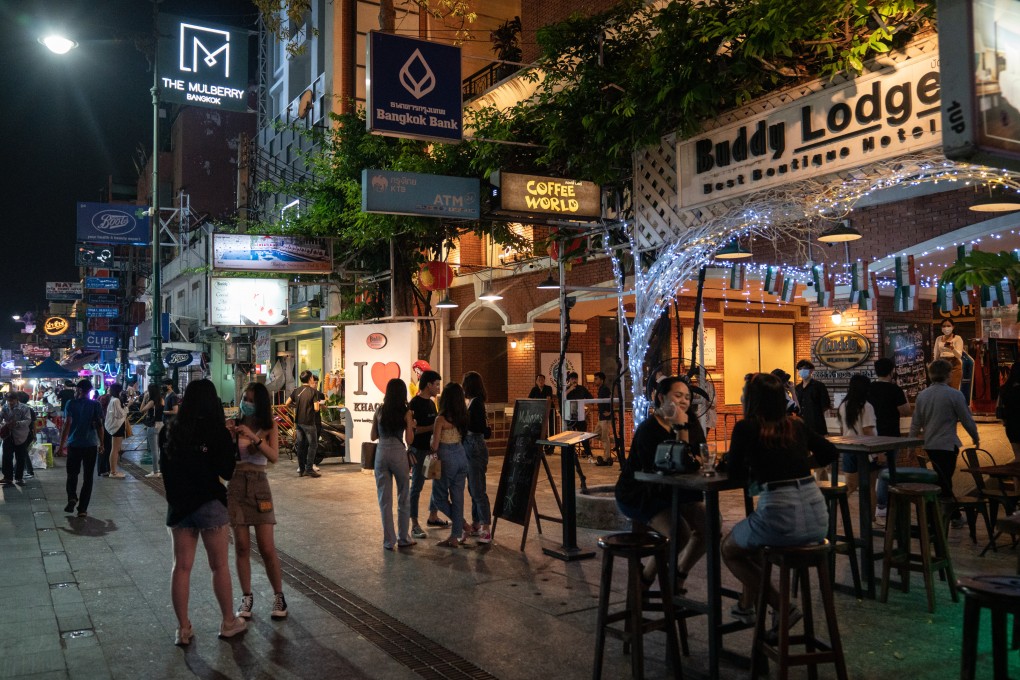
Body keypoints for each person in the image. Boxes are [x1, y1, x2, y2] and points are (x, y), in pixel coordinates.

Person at [721, 373, 837, 629]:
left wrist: (757, 469)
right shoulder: (796, 425)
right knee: (751, 542)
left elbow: (735, 475)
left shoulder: (747, 428)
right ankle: (746, 606)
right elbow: (830, 452)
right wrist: (799, 465)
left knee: (729, 549)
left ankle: (781, 606)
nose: (741, 396)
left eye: (744, 392)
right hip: (818, 517)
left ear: (753, 399)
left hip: (780, 515)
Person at [160, 379, 246, 644]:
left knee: (181, 567)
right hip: (210, 503)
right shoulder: (217, 431)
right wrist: (230, 443)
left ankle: (183, 629)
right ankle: (228, 622)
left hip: (180, 506)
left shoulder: (171, 430)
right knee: (219, 566)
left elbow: (165, 470)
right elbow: (226, 472)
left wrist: (175, 498)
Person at [615, 376, 708, 592]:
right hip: (641, 494)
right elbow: (676, 466)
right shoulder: (648, 429)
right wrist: (681, 430)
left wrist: (690, 456)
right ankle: (645, 580)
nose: (684, 401)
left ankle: (679, 574)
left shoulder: (692, 422)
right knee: (679, 533)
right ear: (661, 398)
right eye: (678, 395)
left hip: (677, 492)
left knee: (710, 524)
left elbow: (702, 457)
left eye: (687, 397)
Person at [228, 381, 289, 621]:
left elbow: (273, 457)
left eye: (251, 400)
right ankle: (246, 597)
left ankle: (278, 596)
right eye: (245, 398)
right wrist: (228, 435)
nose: (247, 403)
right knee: (242, 546)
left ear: (260, 403)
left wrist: (254, 437)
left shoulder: (268, 425)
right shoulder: (236, 424)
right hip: (236, 485)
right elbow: (227, 459)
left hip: (259, 485)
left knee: (266, 547)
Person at [910, 358, 980, 527]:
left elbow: (916, 423)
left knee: (941, 479)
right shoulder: (955, 395)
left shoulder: (923, 395)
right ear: (948, 375)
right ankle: (943, 516)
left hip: (930, 445)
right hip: (948, 445)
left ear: (930, 374)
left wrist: (910, 444)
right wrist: (975, 436)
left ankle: (941, 516)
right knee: (944, 481)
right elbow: (966, 419)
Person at [370, 378, 416, 550]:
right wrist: (410, 425)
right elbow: (409, 439)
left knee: (384, 499)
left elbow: (373, 436)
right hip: (398, 453)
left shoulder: (379, 410)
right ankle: (403, 538)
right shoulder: (406, 412)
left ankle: (389, 541)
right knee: (403, 495)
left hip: (381, 452)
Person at [868, 357, 912, 522]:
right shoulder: (895, 390)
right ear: (891, 371)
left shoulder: (869, 388)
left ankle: (875, 507)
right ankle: (882, 505)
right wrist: (905, 398)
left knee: (873, 472)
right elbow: (905, 411)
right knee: (886, 472)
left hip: (872, 434)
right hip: (890, 435)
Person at [429, 382, 471, 547]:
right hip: (461, 455)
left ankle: (462, 525)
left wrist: (431, 441)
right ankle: (454, 537)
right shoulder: (463, 416)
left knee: (438, 497)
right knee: (458, 498)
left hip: (446, 458)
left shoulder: (440, 419)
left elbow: (435, 446)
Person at [58, 379, 105, 517]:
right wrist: (102, 443)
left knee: (72, 474)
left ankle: (72, 497)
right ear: (90, 390)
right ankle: (82, 509)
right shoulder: (95, 404)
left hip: (74, 444)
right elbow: (99, 425)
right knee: (88, 477)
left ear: (78, 390)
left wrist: (61, 445)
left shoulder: (71, 403)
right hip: (90, 444)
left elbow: (67, 424)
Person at [409, 370, 445, 539]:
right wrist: (434, 427)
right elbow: (413, 431)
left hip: (432, 451)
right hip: (419, 451)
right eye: (436, 384)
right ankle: (414, 524)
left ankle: (433, 516)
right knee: (416, 486)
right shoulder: (414, 403)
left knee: (437, 483)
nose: (438, 388)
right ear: (428, 385)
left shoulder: (431, 403)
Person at [462, 371, 493, 543]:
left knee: (478, 489)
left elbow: (478, 427)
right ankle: (476, 522)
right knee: (473, 488)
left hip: (475, 448)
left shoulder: (476, 404)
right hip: (473, 447)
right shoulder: (475, 402)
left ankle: (485, 528)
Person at [837, 374, 877, 496]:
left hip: (848, 449)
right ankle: (869, 511)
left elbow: (842, 429)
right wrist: (877, 452)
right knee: (869, 487)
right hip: (865, 451)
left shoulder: (843, 405)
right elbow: (867, 431)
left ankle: (837, 507)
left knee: (850, 487)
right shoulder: (866, 406)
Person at [285, 370, 323, 478]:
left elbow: (287, 403)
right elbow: (316, 408)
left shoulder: (296, 391)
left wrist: (297, 406)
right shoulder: (313, 392)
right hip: (309, 422)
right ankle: (309, 469)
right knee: (313, 445)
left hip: (298, 422)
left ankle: (301, 470)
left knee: (301, 446)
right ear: (310, 378)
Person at [1, 391, 34, 486]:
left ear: (16, 399)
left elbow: (28, 420)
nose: (10, 402)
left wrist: (17, 423)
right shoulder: (5, 407)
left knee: (20, 457)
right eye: (8, 400)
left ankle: (19, 478)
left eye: (12, 400)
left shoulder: (24, 408)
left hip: (21, 435)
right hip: (8, 435)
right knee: (6, 456)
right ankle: (7, 477)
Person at [795, 360, 831, 435]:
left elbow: (825, 404)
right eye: (800, 369)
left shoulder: (819, 386)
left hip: (816, 424)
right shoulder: (797, 388)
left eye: (804, 368)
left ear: (811, 370)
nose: (802, 371)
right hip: (801, 424)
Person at [138, 383, 164, 478]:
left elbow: (141, 410)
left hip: (153, 426)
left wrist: (144, 399)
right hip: (161, 425)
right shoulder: (161, 400)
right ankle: (160, 469)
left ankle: (155, 471)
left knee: (154, 450)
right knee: (160, 449)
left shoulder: (152, 402)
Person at [103, 383, 128, 479]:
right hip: (117, 427)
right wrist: (127, 407)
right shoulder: (116, 400)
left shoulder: (112, 399)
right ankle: (113, 472)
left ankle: (113, 470)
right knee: (115, 449)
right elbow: (120, 414)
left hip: (114, 427)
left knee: (115, 449)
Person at [593, 371, 617, 465]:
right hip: (601, 417)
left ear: (601, 380)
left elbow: (613, 400)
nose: (594, 381)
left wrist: (610, 412)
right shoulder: (601, 389)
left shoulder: (605, 389)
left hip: (606, 418)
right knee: (595, 435)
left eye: (596, 379)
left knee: (604, 438)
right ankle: (616, 441)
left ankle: (606, 458)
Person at [999, 363, 1020, 462]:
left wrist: (1005, 421)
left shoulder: (1004, 389)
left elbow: (1001, 410)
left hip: (1012, 427)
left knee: (1018, 457)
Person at [937, 319, 966, 390]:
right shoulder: (938, 338)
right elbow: (936, 354)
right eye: (944, 326)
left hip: (954, 365)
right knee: (942, 389)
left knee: (953, 388)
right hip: (942, 365)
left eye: (948, 326)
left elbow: (959, 355)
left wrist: (952, 348)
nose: (946, 328)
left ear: (953, 327)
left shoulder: (957, 338)